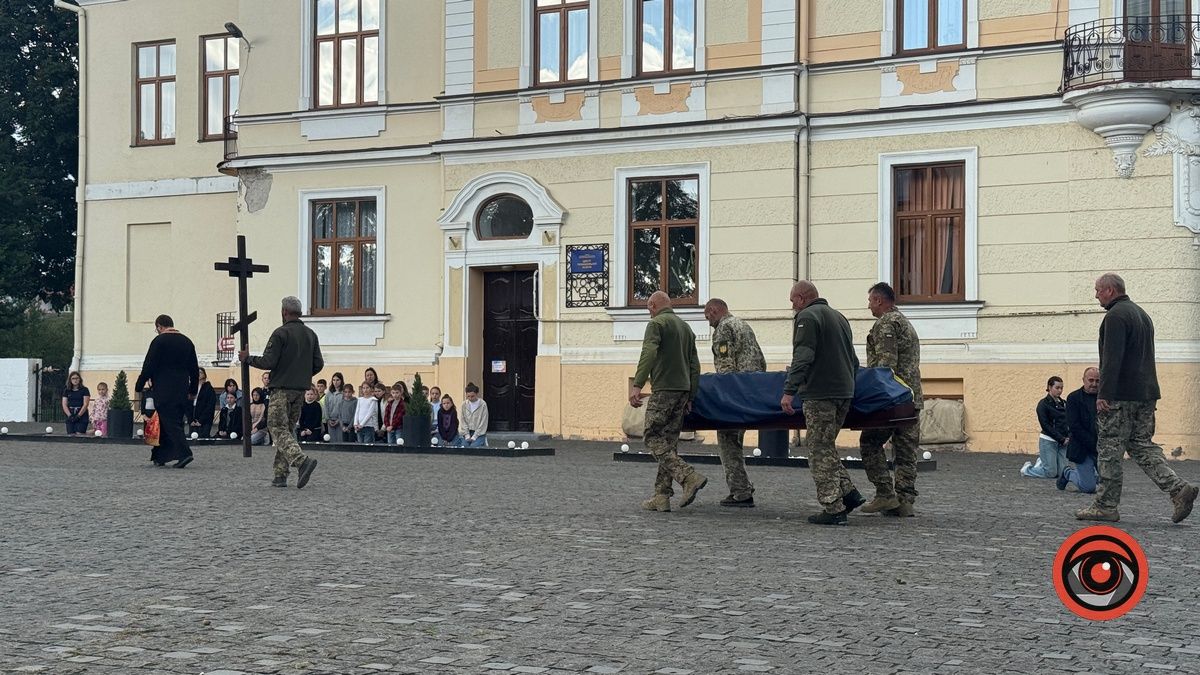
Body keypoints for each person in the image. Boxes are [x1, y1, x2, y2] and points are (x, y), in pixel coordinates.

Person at [1076, 273, 1197, 522]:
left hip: (1120, 396)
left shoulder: (1115, 316)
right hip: (1146, 393)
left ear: (1110, 290)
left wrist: (1104, 393)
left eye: (1097, 290)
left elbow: (1111, 358)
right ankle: (1177, 488)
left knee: (1109, 448)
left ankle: (1106, 505)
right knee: (1142, 446)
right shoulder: (1142, 314)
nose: (1095, 294)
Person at [780, 281, 863, 526]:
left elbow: (803, 356)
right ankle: (848, 493)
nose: (792, 305)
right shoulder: (839, 318)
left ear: (803, 298)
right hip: (843, 392)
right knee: (826, 446)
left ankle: (833, 507)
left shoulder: (807, 317)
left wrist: (788, 391)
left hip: (820, 393)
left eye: (793, 300)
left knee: (817, 450)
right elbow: (854, 360)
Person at [630, 291, 708, 512]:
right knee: (669, 443)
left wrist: (638, 384)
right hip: (682, 391)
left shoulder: (657, 324)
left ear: (653, 305)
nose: (649, 314)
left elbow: (649, 353)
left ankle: (688, 476)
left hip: (664, 388)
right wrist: (691, 396)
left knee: (652, 435)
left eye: (648, 309)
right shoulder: (685, 328)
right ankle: (661, 495)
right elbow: (695, 365)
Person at [240, 296, 323, 489]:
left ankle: (302, 461)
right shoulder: (310, 334)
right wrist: (302, 375)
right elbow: (318, 363)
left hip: (281, 391)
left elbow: (268, 362)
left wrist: (247, 358)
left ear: (284, 312)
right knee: (287, 431)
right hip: (300, 392)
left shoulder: (281, 333)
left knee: (277, 429)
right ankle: (280, 474)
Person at [859, 282, 922, 517]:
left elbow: (886, 367)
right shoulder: (904, 321)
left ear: (878, 300)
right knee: (905, 451)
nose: (868, 306)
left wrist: (874, 399)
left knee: (869, 443)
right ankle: (905, 501)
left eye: (869, 301)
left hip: (891, 399)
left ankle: (885, 494)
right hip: (911, 397)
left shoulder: (886, 323)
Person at [702, 297, 765, 507]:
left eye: (707, 316)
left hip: (736, 393)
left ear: (713, 310)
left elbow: (725, 367)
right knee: (735, 440)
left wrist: (724, 399)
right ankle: (741, 489)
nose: (708, 322)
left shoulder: (723, 328)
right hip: (753, 390)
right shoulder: (742, 324)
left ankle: (740, 491)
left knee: (728, 442)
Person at [135, 315, 199, 468]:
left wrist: (139, 385)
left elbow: (148, 365)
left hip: (164, 388)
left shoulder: (159, 341)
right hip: (182, 388)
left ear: (159, 326)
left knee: (170, 423)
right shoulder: (187, 341)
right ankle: (161, 455)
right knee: (168, 421)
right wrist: (193, 389)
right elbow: (194, 369)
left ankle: (185, 453)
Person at [1059, 367, 1100, 493]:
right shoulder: (1073, 398)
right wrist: (1094, 444)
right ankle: (1069, 473)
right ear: (1083, 380)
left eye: (1098, 381)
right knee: (1088, 488)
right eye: (1091, 380)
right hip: (1082, 448)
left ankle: (1092, 475)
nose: (1094, 384)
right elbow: (1074, 426)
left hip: (1102, 448)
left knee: (1111, 484)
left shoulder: (1105, 398)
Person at [1022, 376, 1069, 479]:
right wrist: (1061, 439)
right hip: (1048, 440)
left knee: (1062, 474)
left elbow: (1068, 422)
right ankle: (1028, 469)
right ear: (1049, 387)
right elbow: (1045, 425)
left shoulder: (1065, 404)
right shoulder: (1043, 404)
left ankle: (1045, 463)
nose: (1060, 390)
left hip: (1063, 442)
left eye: (1061, 388)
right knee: (1050, 473)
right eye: (1057, 388)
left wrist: (1068, 437)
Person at [61, 371, 91, 437]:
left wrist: (78, 416)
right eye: (73, 378)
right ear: (70, 380)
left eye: (77, 378)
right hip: (70, 413)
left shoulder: (84, 390)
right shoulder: (67, 390)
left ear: (80, 379)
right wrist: (69, 415)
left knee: (79, 434)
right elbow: (64, 404)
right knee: (70, 434)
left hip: (81, 414)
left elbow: (85, 404)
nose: (75, 380)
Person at [189, 367, 217, 438]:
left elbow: (210, 405)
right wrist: (190, 419)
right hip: (193, 413)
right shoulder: (191, 387)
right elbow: (187, 403)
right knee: (193, 437)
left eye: (200, 372)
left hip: (204, 416)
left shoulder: (208, 388)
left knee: (203, 437)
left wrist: (201, 420)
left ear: (204, 375)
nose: (198, 374)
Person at [460, 383, 490, 447]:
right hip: (467, 432)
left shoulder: (483, 404)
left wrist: (474, 436)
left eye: (472, 396)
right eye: (468, 396)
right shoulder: (464, 405)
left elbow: (483, 422)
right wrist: (467, 435)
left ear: (477, 394)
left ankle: (483, 441)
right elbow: (463, 420)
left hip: (479, 433)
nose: (470, 398)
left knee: (474, 447)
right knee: (464, 447)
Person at [325, 372, 346, 440]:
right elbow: (326, 406)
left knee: (340, 440)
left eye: (337, 380)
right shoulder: (329, 393)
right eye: (334, 380)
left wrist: (339, 420)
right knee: (331, 440)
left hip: (340, 421)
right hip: (330, 420)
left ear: (341, 381)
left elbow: (344, 408)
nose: (335, 382)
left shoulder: (344, 393)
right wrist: (328, 419)